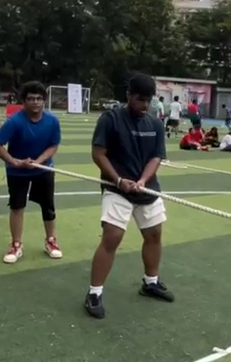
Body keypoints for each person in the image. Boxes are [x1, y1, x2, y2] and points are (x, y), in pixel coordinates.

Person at [85, 73, 173, 319]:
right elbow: (98, 154)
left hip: (147, 189)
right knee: (112, 237)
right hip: (117, 188)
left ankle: (151, 282)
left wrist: (143, 180)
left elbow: (157, 156)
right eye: (140, 99)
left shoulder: (154, 123)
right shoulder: (110, 120)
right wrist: (119, 180)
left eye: (149, 100)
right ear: (128, 95)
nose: (145, 105)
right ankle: (94, 293)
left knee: (154, 234)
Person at [0, 81, 63, 264]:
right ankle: (16, 244)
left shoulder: (52, 121)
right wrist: (15, 162)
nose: (35, 102)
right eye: (31, 99)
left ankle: (51, 241)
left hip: (43, 169)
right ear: (24, 101)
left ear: (44, 101)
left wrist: (38, 162)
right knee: (17, 207)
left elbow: (53, 145)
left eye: (39, 99)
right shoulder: (15, 122)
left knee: (48, 206)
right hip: (17, 172)